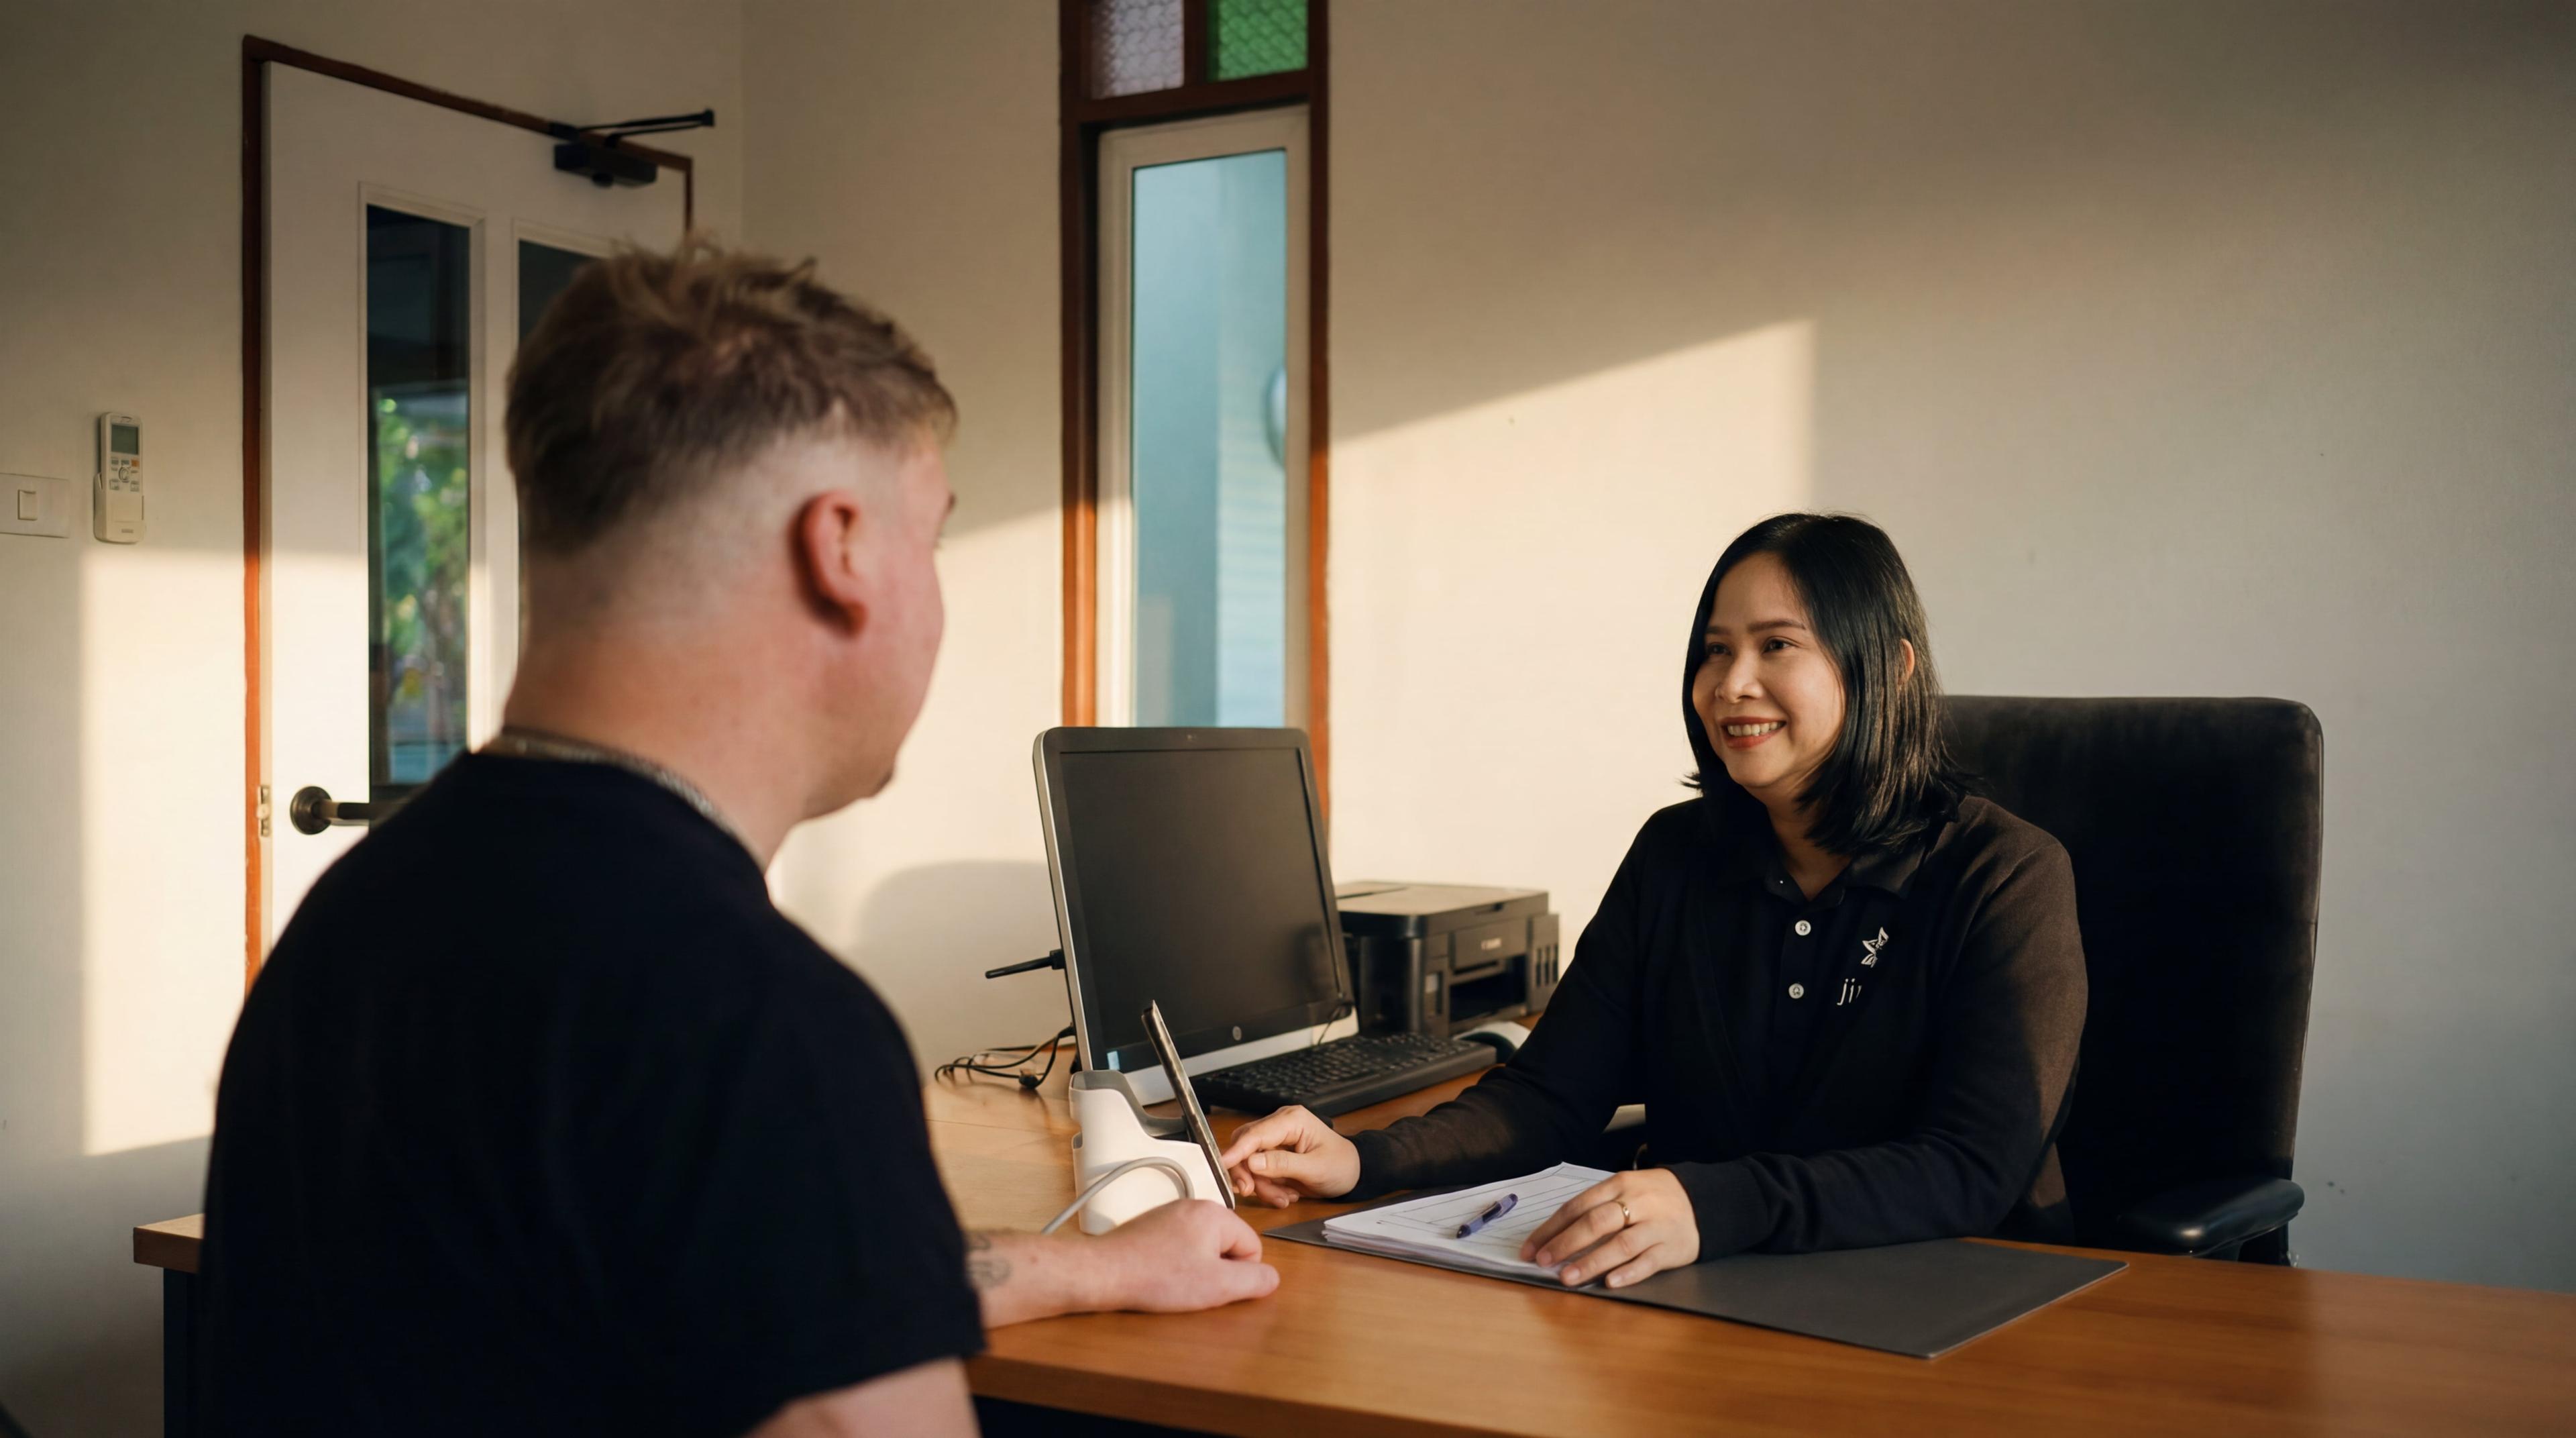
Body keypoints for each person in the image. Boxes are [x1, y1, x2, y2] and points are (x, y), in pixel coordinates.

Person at [199, 243, 1277, 1437]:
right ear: (844, 549)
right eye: (933, 540)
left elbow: (714, 1260)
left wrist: (1099, 1269)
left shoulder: (353, 926)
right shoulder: (751, 1023)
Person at [1220, 513, 2087, 1290]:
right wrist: (1363, 1159)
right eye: (1716, 649)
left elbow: (1972, 1168)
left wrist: (1712, 1203)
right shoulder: (1679, 854)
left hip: (1950, 1292)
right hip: (1703, 1285)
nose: (1732, 683)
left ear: (1891, 669)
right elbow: (1549, 1095)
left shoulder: (2005, 876)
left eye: (1777, 645)